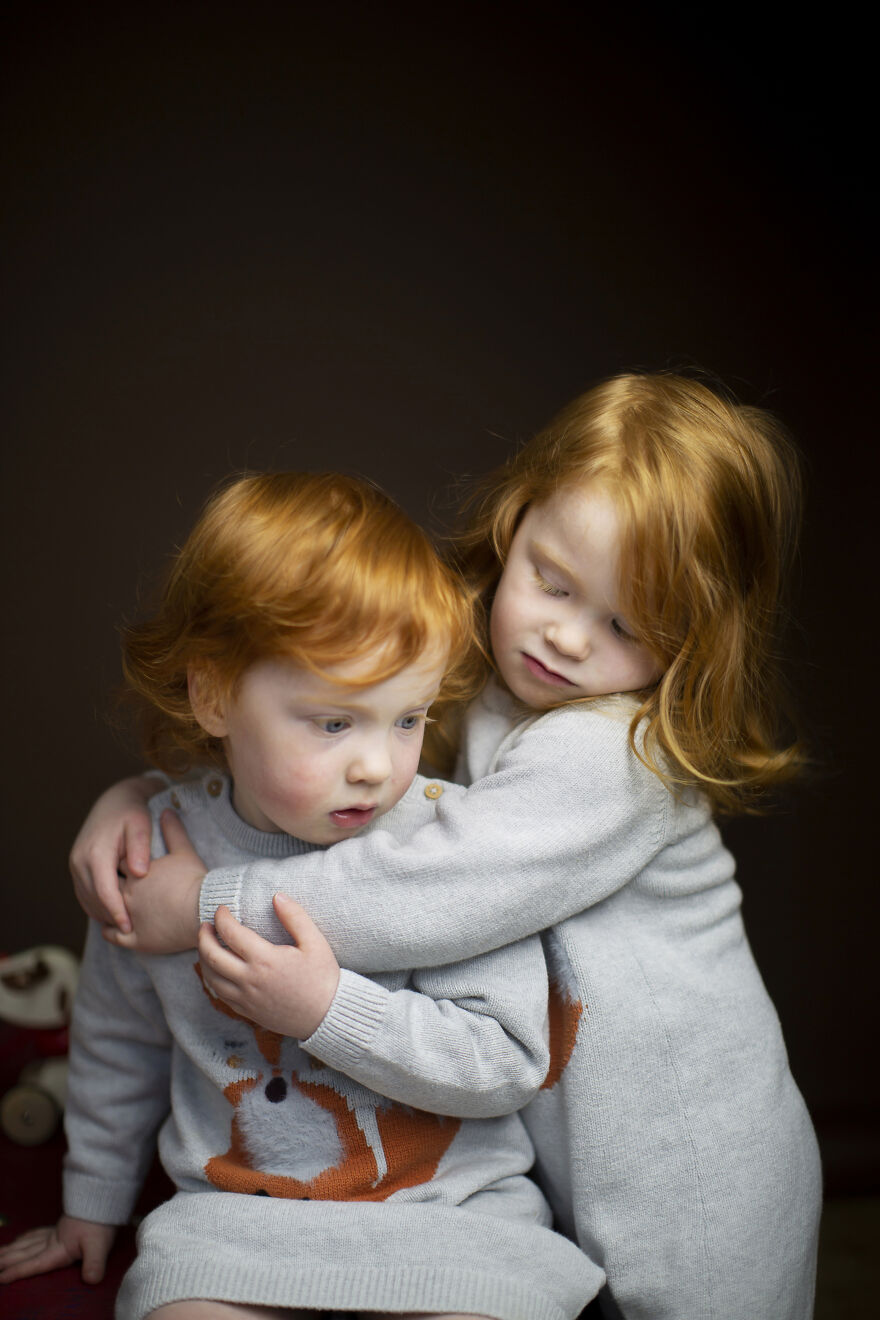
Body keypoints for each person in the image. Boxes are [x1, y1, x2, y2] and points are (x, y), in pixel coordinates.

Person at [65, 372, 821, 1319]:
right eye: (552, 581)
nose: (565, 636)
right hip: (529, 1154)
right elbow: (284, 743)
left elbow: (415, 890)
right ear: (515, 523)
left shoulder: (616, 755)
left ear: (694, 643)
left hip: (686, 1165)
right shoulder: (484, 697)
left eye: (627, 624)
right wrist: (139, 800)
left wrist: (202, 903)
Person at [0, 472, 600, 1320]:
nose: (377, 766)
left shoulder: (451, 849)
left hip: (453, 1216)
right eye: (333, 723)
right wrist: (92, 1202)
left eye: (409, 718)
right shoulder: (158, 853)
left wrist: (325, 1011)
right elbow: (117, 1039)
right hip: (238, 1220)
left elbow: (504, 1064)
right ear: (213, 696)